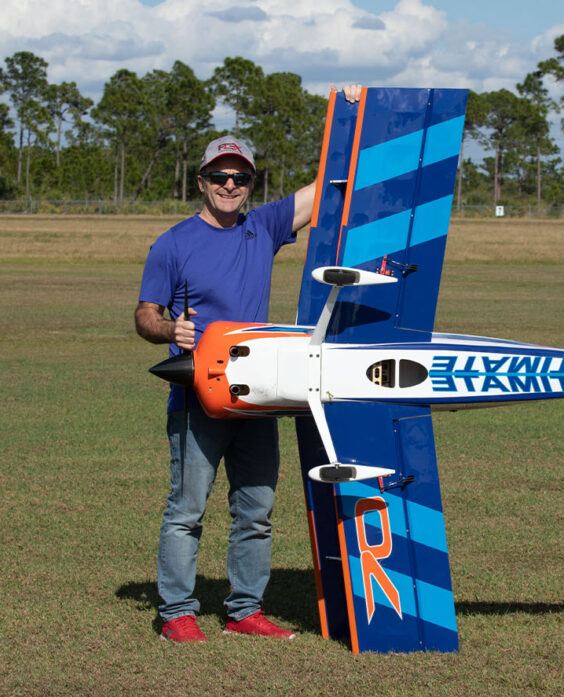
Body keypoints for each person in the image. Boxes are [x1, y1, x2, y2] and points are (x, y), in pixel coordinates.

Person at [135, 85, 362, 643]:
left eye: (240, 177)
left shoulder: (263, 228)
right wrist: (168, 329)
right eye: (220, 176)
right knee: (186, 510)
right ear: (202, 181)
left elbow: (327, 190)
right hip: (198, 400)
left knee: (256, 511)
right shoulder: (173, 244)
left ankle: (244, 611)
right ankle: (177, 614)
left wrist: (354, 114)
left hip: (258, 397)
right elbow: (144, 315)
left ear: (250, 183)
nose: (230, 185)